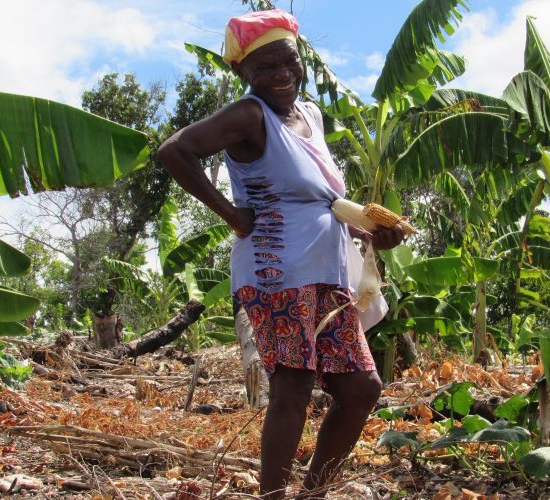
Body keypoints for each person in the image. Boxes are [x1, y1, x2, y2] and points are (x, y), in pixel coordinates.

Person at [157, 9, 405, 499]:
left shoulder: (310, 114)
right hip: (276, 270)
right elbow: (174, 151)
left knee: (360, 389)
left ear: (301, 60)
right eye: (265, 67)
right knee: (293, 385)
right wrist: (231, 213)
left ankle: (312, 493)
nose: (281, 75)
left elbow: (319, 198)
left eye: (288, 62)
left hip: (326, 270)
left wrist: (369, 234)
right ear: (242, 72)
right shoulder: (250, 115)